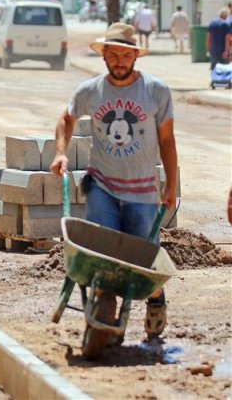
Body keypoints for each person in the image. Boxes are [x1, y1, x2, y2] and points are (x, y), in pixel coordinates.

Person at [50, 23, 178, 341]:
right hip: (103, 186)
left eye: (126, 55)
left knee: (143, 258)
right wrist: (60, 154)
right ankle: (103, 306)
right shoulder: (90, 91)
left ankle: (156, 299)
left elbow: (167, 139)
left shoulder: (156, 91)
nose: (120, 61)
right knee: (101, 255)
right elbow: (65, 119)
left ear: (135, 56)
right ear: (104, 56)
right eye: (114, 55)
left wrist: (171, 185)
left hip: (143, 191)